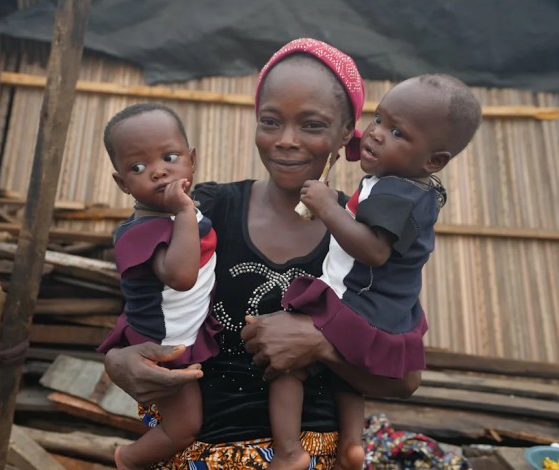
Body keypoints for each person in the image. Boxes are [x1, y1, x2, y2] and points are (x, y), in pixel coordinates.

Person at [103, 38, 422, 469]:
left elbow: (406, 378)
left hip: (310, 457)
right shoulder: (203, 212)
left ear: (347, 132)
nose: (286, 141)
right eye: (271, 122)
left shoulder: (366, 238)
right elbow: (141, 313)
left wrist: (321, 346)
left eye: (311, 125)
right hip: (195, 452)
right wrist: (119, 362)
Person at [282, 73, 483, 468]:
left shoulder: (394, 193)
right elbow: (374, 147)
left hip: (358, 302)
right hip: (388, 307)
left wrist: (327, 207)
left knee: (288, 361)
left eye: (396, 132)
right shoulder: (411, 183)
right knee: (345, 377)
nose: (375, 133)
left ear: (434, 160)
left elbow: (373, 251)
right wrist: (355, 141)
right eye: (377, 118)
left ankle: (288, 451)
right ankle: (352, 444)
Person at [96, 103, 222, 469]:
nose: (158, 171)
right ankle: (128, 459)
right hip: (161, 344)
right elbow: (181, 277)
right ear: (122, 183)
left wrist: (184, 212)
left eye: (170, 157)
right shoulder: (140, 232)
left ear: (191, 160)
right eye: (138, 167)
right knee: (184, 427)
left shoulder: (187, 211)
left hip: (183, 332)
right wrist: (183, 212)